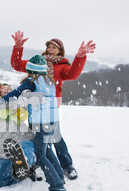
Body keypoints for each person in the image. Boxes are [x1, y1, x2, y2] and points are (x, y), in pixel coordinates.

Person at [10, 31, 96, 180]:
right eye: (49, 46)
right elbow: (16, 65)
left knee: (56, 138)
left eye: (54, 47)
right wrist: (18, 47)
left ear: (60, 51)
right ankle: (35, 164)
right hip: (34, 108)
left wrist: (80, 56)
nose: (50, 49)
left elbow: (73, 74)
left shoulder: (62, 67)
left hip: (50, 109)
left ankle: (67, 166)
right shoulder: (37, 62)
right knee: (35, 137)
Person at [0, 54, 67, 191]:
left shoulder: (31, 81)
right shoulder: (50, 81)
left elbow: (15, 93)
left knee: (40, 156)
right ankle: (58, 176)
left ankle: (57, 187)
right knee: (46, 149)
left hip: (40, 121)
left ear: (31, 70)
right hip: (52, 120)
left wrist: (0, 101)